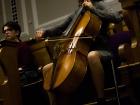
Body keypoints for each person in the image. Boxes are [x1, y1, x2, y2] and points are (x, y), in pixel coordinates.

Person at [35, 0, 123, 105]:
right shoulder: (78, 11)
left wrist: (93, 9)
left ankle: (101, 99)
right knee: (46, 69)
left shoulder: (99, 4)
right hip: (79, 51)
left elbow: (117, 17)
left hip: (101, 50)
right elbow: (60, 28)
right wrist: (45, 32)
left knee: (92, 56)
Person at [2, 21, 41, 86]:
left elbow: (27, 65)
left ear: (17, 32)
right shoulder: (7, 49)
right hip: (16, 74)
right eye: (4, 31)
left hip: (28, 74)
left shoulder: (23, 46)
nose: (6, 32)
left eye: (9, 30)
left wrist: (14, 71)